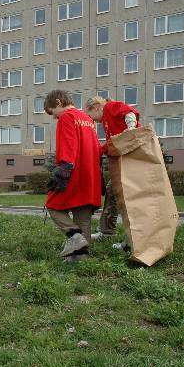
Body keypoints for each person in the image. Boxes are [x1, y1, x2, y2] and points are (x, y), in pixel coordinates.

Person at [44, 90, 102, 263]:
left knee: (52, 205)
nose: (54, 118)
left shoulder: (67, 117)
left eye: (52, 112)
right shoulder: (88, 119)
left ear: (58, 102)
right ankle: (80, 258)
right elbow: (97, 148)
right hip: (90, 175)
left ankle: (74, 236)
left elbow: (69, 144)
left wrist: (63, 170)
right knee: (82, 214)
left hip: (74, 172)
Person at [84, 96, 141, 249]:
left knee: (125, 196)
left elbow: (130, 112)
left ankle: (130, 240)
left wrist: (131, 130)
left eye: (90, 115)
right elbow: (112, 143)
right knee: (111, 190)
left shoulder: (109, 107)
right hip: (124, 157)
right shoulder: (106, 121)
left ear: (96, 107)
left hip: (130, 158)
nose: (92, 120)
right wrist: (97, 151)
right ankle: (107, 231)